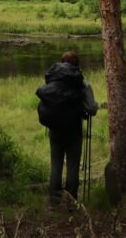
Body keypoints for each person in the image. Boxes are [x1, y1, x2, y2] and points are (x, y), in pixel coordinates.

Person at [36, 51, 98, 204]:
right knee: (73, 164)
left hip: (54, 128)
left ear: (62, 62)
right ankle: (71, 199)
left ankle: (54, 198)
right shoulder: (82, 83)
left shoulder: (51, 80)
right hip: (73, 128)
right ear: (77, 65)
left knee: (56, 163)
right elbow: (91, 109)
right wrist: (92, 106)